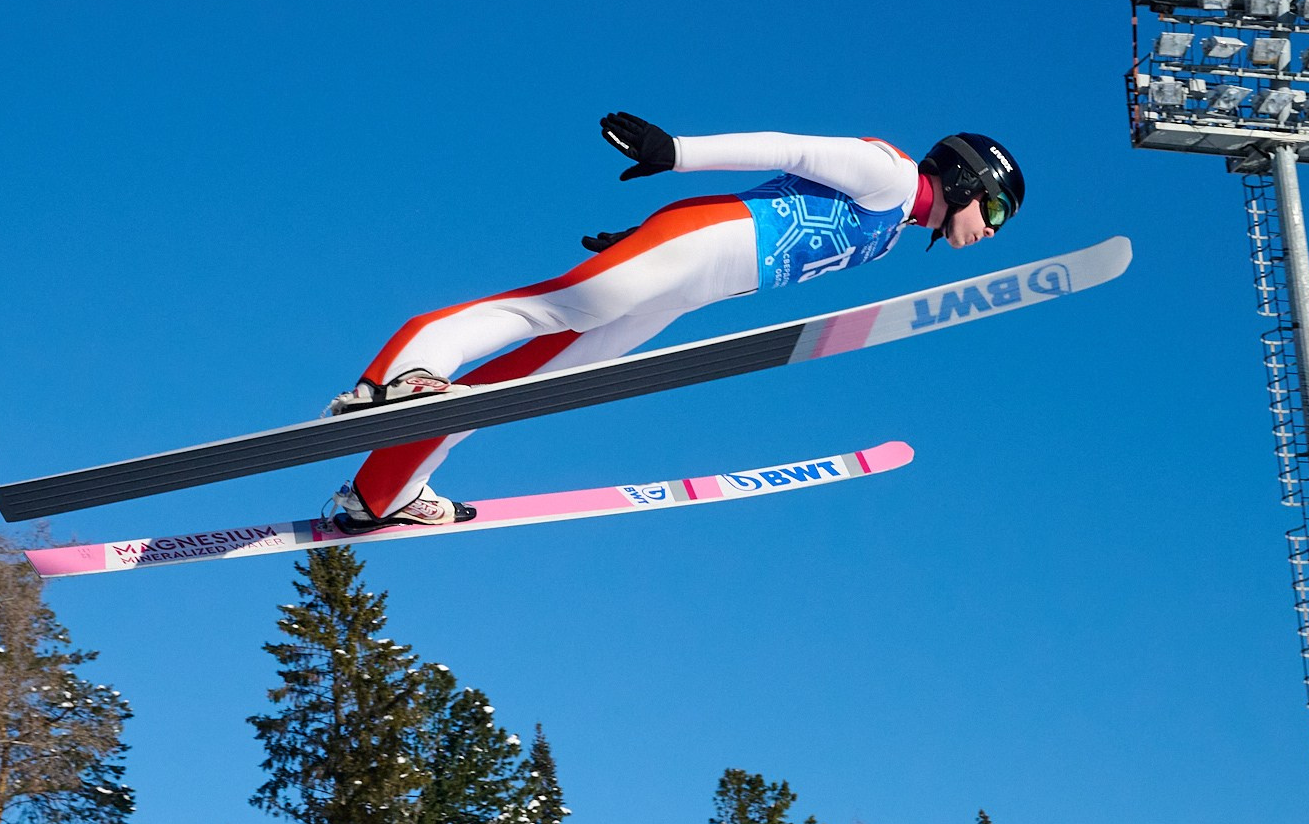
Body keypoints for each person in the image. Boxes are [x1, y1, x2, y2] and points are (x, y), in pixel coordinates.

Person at [324, 112, 1025, 531]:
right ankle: (393, 377)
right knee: (551, 306)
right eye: (993, 211)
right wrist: (676, 152)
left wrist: (637, 242)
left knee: (532, 383)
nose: (991, 229)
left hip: (692, 287)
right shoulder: (893, 175)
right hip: (696, 245)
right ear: (967, 180)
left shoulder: (894, 230)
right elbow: (793, 150)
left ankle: (382, 493)